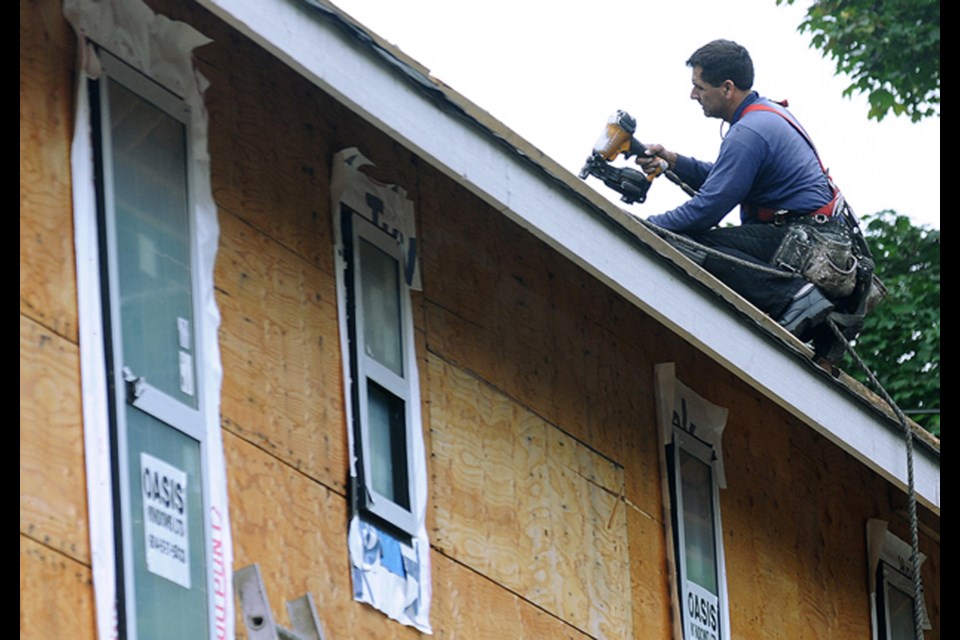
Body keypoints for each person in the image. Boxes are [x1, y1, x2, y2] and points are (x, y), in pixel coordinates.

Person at [639, 39, 838, 340]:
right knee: (692, 237)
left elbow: (709, 207)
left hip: (804, 241)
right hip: (814, 235)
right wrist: (673, 161)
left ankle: (792, 298)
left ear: (727, 88)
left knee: (688, 241)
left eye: (700, 87)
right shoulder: (763, 115)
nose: (693, 95)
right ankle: (794, 301)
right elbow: (725, 180)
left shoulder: (749, 132)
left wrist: (647, 227)